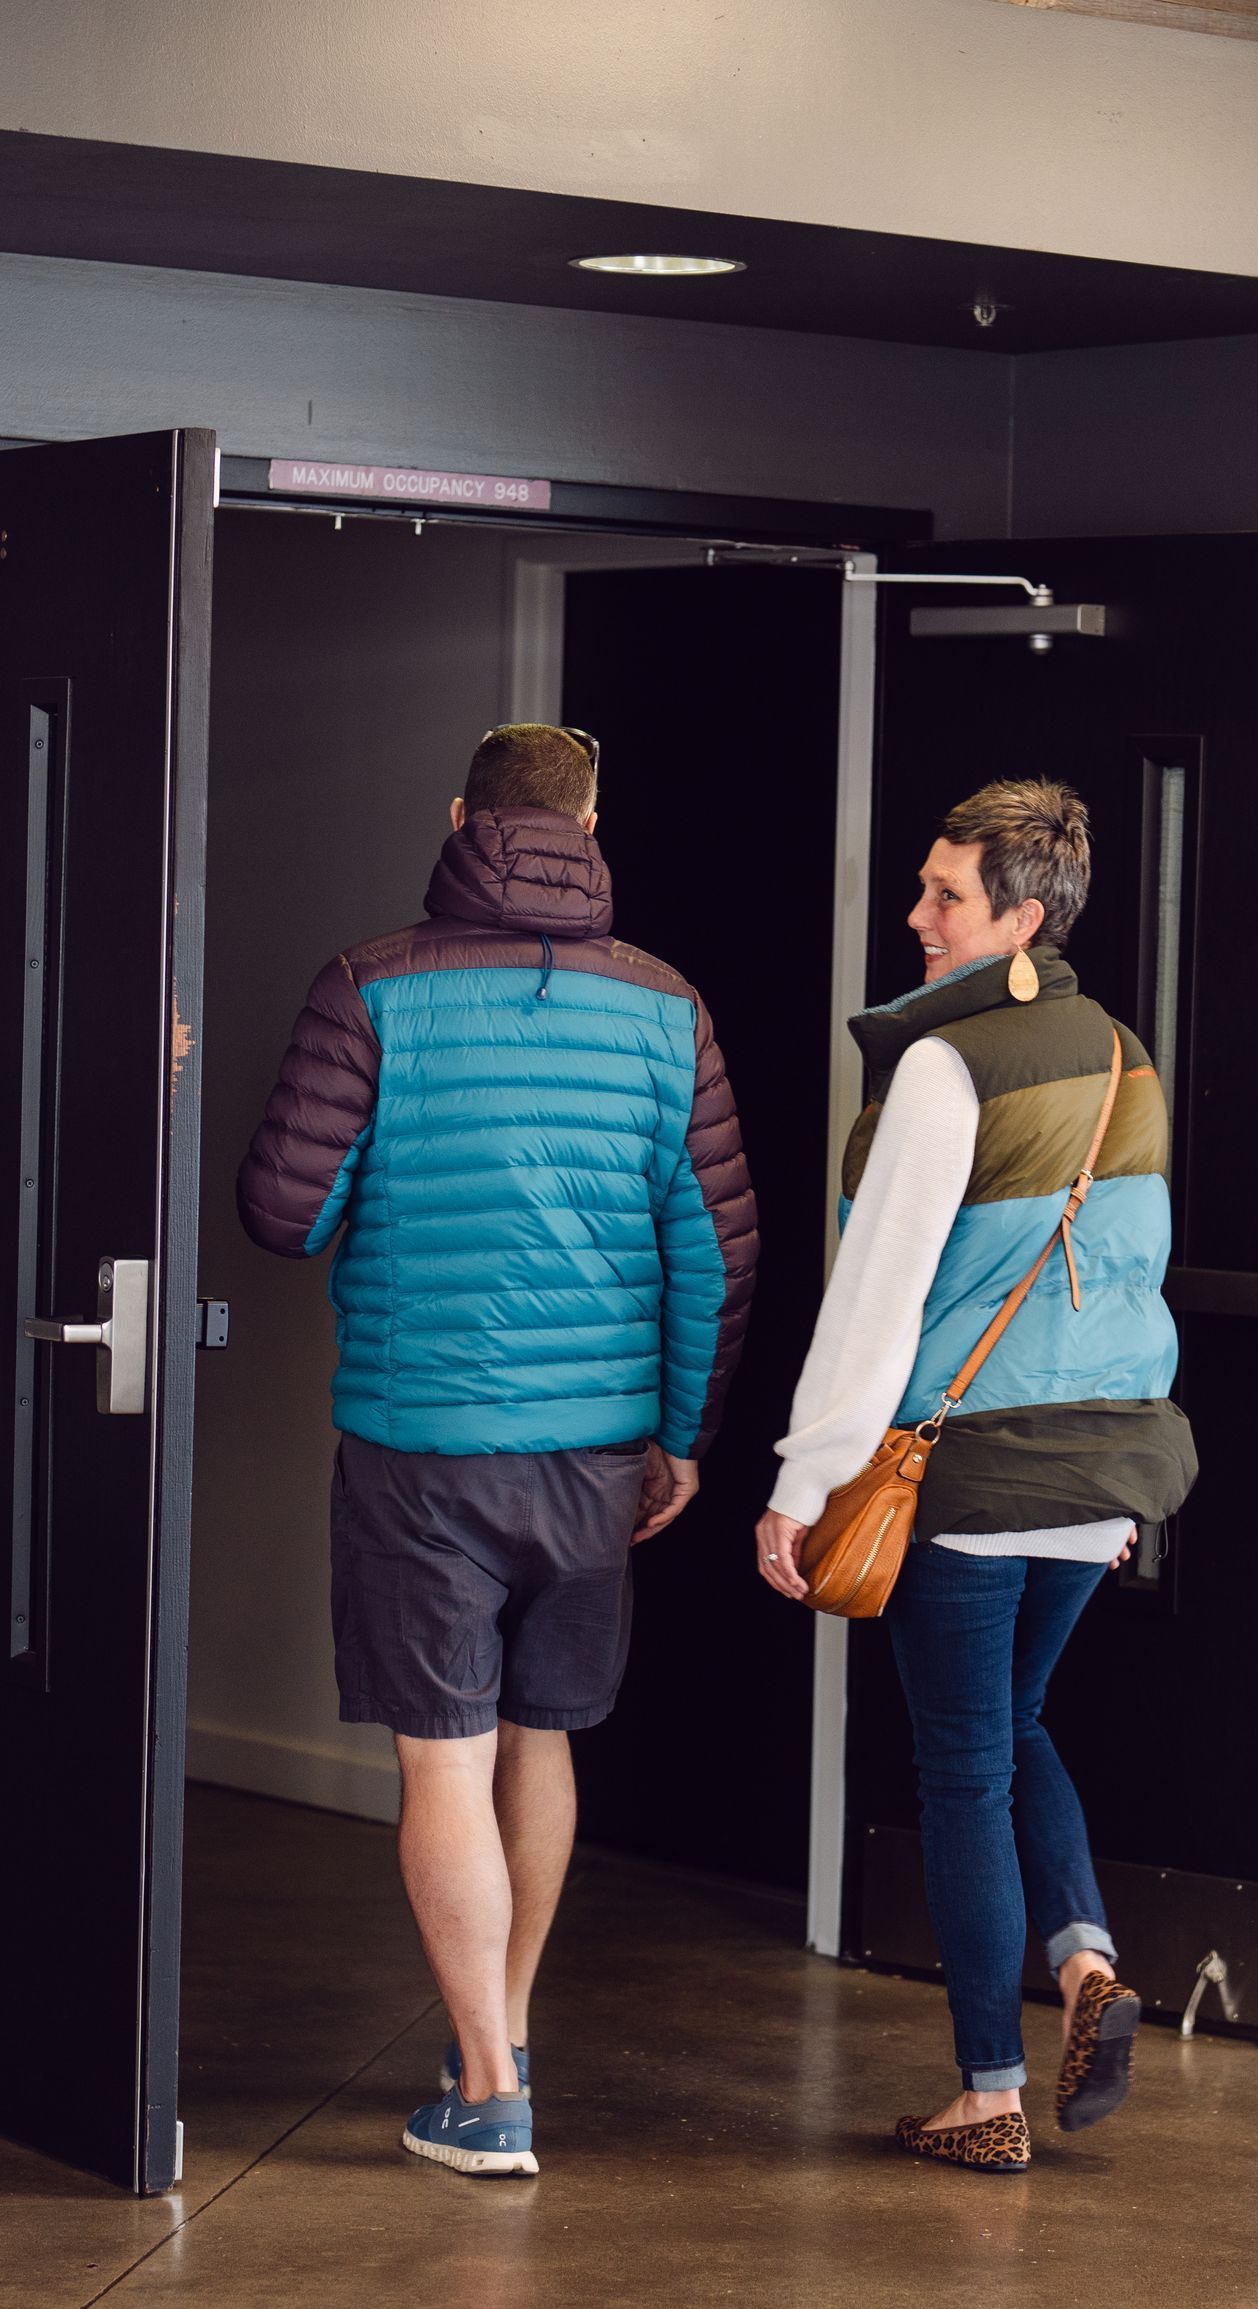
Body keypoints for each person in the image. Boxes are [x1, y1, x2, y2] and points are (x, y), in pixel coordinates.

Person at [239, 721, 756, 2179]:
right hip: (598, 1452)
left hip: (424, 1448)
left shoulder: (372, 984)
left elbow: (285, 1213)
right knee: (543, 1736)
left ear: (464, 815)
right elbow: (716, 1251)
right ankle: (501, 2036)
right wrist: (682, 1437)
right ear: (594, 819)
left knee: (444, 1761)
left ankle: (485, 2086)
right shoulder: (667, 1006)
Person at [756, 777, 1194, 2171]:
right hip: (1100, 1465)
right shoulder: (1122, 1058)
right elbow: (1127, 1279)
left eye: (945, 894)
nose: (916, 914)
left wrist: (804, 1475)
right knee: (1012, 1726)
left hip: (969, 1465)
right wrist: (1113, 1487)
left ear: (1020, 915)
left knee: (958, 1767)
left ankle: (988, 2096)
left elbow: (876, 1292)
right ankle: (1083, 1965)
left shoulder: (946, 1066)